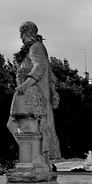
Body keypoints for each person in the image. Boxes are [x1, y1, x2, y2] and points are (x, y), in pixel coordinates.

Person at [7, 20, 60, 175]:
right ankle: (32, 160)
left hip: (32, 92)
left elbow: (40, 67)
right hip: (28, 92)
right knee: (16, 124)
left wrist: (26, 84)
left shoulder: (36, 46)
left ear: (26, 33)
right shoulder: (32, 47)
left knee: (29, 125)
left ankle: (36, 161)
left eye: (21, 34)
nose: (20, 38)